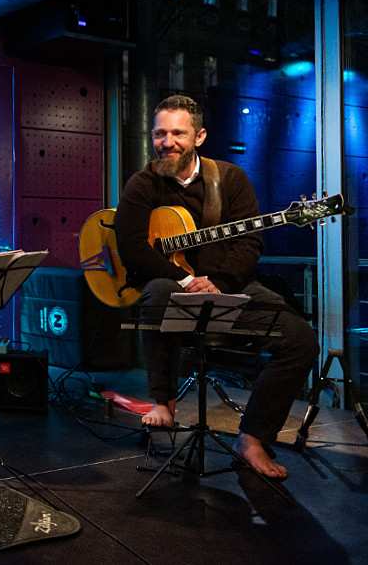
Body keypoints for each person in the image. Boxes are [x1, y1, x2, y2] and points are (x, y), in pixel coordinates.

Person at [114, 94, 318, 479]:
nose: (167, 142)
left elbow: (250, 243)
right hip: (174, 288)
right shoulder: (143, 183)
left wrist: (218, 282)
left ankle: (253, 439)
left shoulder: (230, 179)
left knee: (300, 339)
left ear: (199, 136)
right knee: (156, 292)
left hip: (230, 286)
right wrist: (186, 279)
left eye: (178, 133)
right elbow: (133, 248)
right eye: (160, 134)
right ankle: (163, 401)